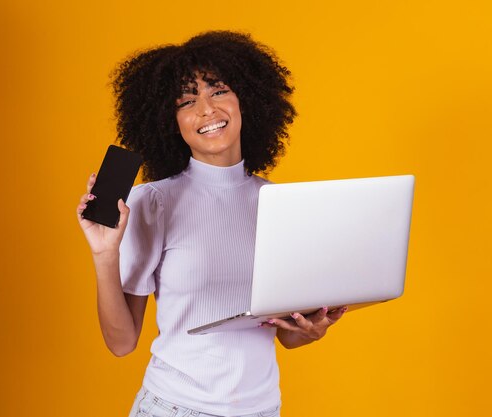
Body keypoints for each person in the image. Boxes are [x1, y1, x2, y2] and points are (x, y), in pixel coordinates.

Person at [77, 31, 347, 417]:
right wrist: (105, 255)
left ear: (245, 101)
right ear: (171, 122)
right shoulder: (153, 202)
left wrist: (312, 330)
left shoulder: (280, 204)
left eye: (218, 91)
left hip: (262, 408)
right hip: (173, 407)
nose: (206, 109)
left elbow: (285, 336)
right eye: (187, 101)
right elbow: (121, 343)